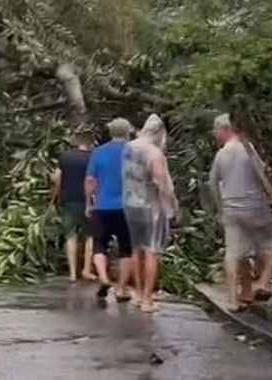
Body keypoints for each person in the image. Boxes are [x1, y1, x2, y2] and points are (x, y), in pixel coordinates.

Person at [207, 113, 272, 311]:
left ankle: (236, 298)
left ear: (226, 129)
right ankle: (263, 282)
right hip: (255, 207)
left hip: (231, 209)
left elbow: (212, 183)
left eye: (216, 129)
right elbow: (263, 173)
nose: (214, 133)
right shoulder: (248, 149)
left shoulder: (221, 154)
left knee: (234, 253)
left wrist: (220, 207)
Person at [122, 114, 178, 313]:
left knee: (136, 249)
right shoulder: (154, 153)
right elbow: (161, 182)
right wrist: (171, 204)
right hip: (150, 205)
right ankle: (147, 299)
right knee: (151, 251)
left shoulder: (128, 148)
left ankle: (137, 294)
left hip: (130, 203)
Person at [85, 117, 135, 303]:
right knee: (126, 248)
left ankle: (104, 278)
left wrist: (89, 203)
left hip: (102, 206)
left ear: (110, 132)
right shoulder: (134, 152)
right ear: (128, 132)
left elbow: (90, 180)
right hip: (127, 207)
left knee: (99, 245)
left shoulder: (98, 152)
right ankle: (121, 289)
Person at [50, 133, 96, 281]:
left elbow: (57, 178)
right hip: (88, 201)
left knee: (70, 236)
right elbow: (94, 180)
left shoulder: (65, 157)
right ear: (90, 144)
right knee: (90, 236)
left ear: (76, 143)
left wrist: (55, 196)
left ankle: (72, 274)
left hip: (68, 200)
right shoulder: (93, 158)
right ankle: (86, 269)